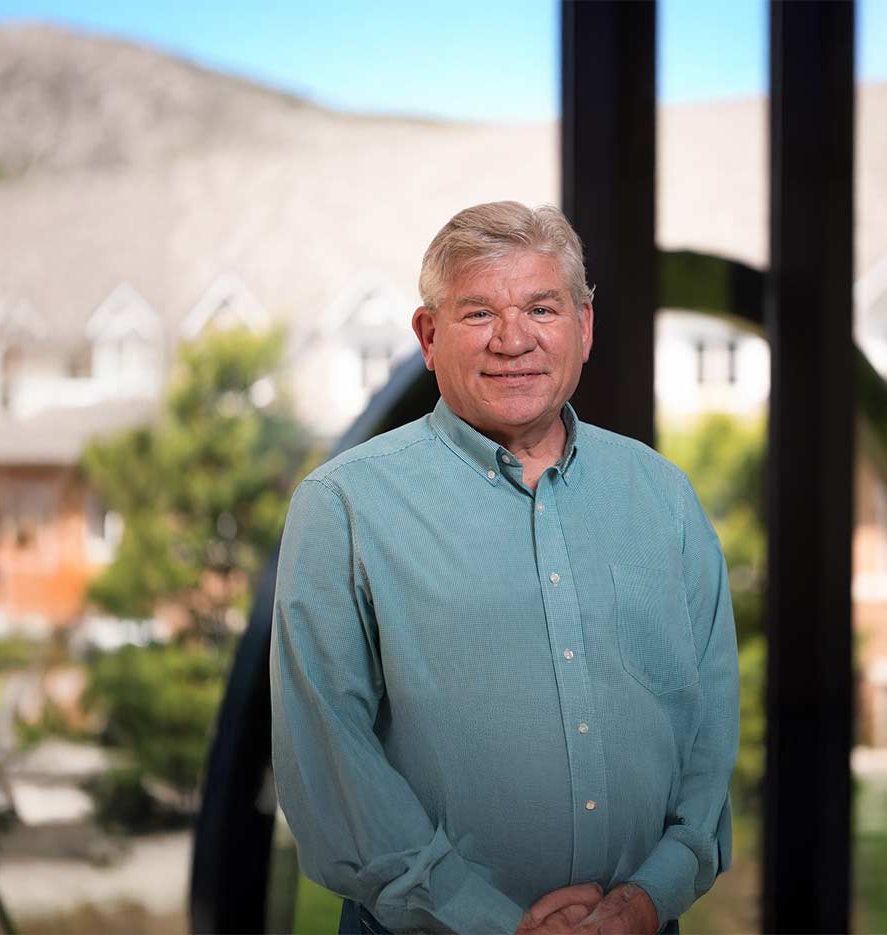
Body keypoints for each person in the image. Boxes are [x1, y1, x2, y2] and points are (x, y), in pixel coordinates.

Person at [270, 201, 739, 935]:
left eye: (541, 309)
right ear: (428, 336)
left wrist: (649, 897)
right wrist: (492, 923)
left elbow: (709, 730)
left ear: (584, 326)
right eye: (479, 313)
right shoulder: (343, 507)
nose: (513, 340)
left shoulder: (664, 496)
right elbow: (331, 765)